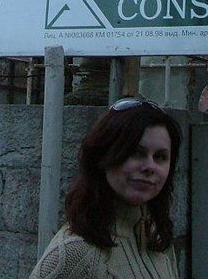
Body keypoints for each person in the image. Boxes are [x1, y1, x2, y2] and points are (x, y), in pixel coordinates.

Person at [30, 97, 182, 278]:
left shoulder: (157, 242)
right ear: (103, 156)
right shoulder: (75, 254)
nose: (150, 166)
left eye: (160, 156)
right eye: (136, 152)